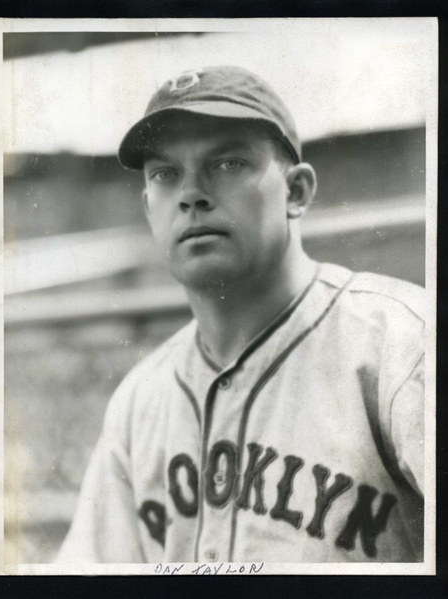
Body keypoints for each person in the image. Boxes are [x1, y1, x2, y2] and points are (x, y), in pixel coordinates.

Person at [57, 66, 424, 564]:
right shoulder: (140, 399)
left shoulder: (401, 344)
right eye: (165, 174)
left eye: (227, 163)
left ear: (296, 192)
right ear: (149, 209)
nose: (191, 193)